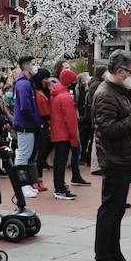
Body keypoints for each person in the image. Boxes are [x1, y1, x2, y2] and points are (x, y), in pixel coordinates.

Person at [91, 50, 131, 261]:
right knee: (110, 211)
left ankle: (114, 255)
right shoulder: (106, 94)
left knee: (116, 211)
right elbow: (107, 130)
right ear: (119, 71)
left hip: (122, 158)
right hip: (114, 159)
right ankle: (102, 260)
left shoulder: (119, 91)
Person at [11, 57, 42, 196]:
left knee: (25, 154)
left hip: (26, 124)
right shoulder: (24, 84)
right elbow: (25, 107)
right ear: (26, 66)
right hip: (25, 125)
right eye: (33, 64)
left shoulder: (24, 83)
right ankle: (22, 185)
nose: (36, 66)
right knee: (23, 155)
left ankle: (25, 184)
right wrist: (36, 121)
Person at [48, 68, 80, 199]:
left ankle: (59, 186)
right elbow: (71, 121)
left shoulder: (55, 94)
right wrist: (74, 139)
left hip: (57, 132)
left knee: (58, 163)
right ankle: (60, 189)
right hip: (65, 134)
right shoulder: (66, 97)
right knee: (61, 163)